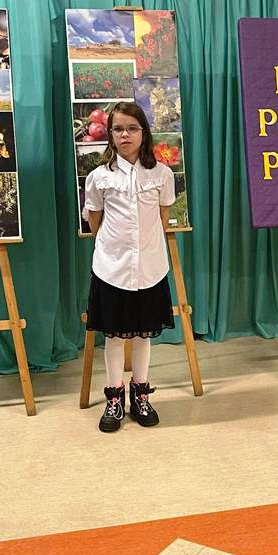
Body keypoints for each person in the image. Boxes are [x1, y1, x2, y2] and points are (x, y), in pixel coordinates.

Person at [84, 101, 175, 432]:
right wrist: (114, 248)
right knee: (114, 336)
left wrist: (144, 247)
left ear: (143, 132)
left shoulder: (162, 174)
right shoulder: (99, 177)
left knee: (141, 335)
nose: (125, 135)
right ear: (110, 134)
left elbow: (162, 217)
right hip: (112, 269)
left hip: (150, 268)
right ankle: (114, 398)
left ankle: (141, 395)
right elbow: (95, 219)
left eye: (132, 128)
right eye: (118, 129)